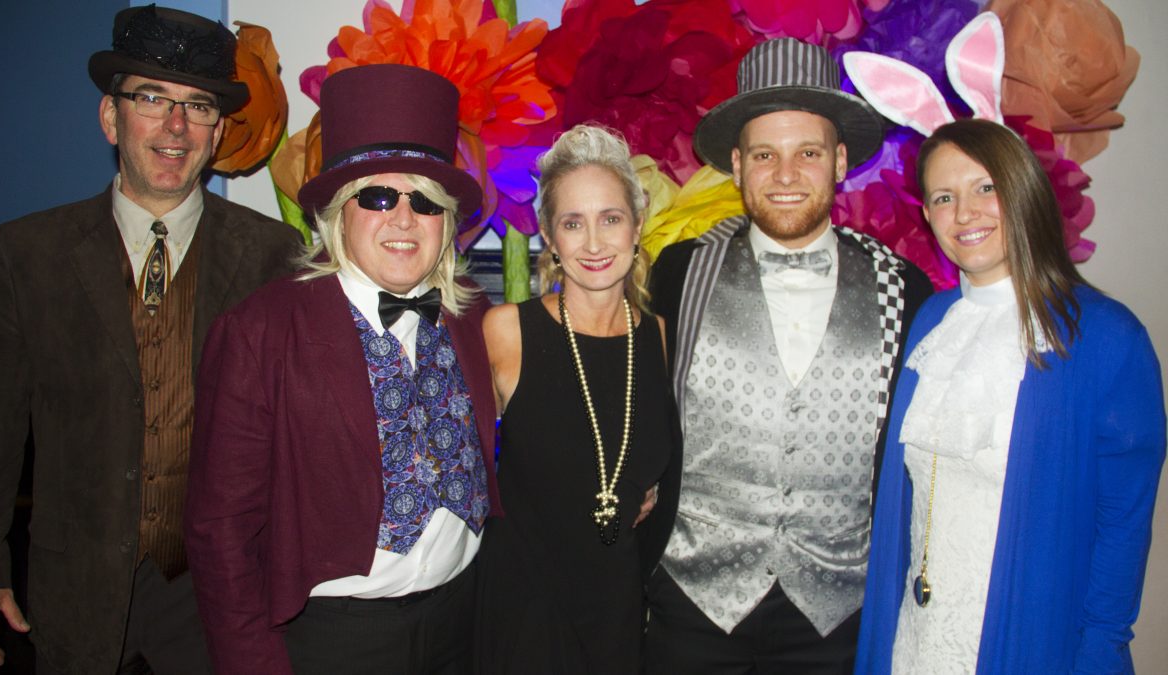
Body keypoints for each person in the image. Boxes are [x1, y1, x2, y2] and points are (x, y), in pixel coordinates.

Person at [0, 6, 300, 674]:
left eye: (198, 106)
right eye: (151, 98)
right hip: (74, 587)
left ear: (216, 132)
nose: (176, 126)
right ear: (110, 117)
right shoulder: (27, 253)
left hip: (219, 596)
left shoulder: (275, 254)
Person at [184, 64, 500, 675]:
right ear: (337, 212)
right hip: (334, 641)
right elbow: (220, 529)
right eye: (378, 196)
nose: (403, 219)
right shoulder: (259, 332)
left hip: (464, 621)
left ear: (446, 221)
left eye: (425, 201)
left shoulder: (476, 317)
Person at [642, 38, 934, 674]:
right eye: (764, 155)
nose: (784, 174)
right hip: (694, 600)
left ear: (839, 161)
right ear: (737, 165)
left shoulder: (904, 289)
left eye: (808, 152)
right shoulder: (680, 273)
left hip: (837, 612)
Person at [854, 118, 1166, 674]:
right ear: (928, 215)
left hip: (1028, 641)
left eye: (986, 188)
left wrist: (1099, 651)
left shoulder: (1107, 336)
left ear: (1023, 193)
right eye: (944, 197)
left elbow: (1122, 523)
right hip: (916, 636)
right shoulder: (932, 323)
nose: (964, 213)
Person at [475, 125, 675, 673]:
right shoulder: (507, 331)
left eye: (610, 219)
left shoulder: (659, 337)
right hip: (524, 612)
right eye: (572, 223)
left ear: (637, 225)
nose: (593, 243)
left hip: (618, 608)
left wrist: (650, 486)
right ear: (549, 235)